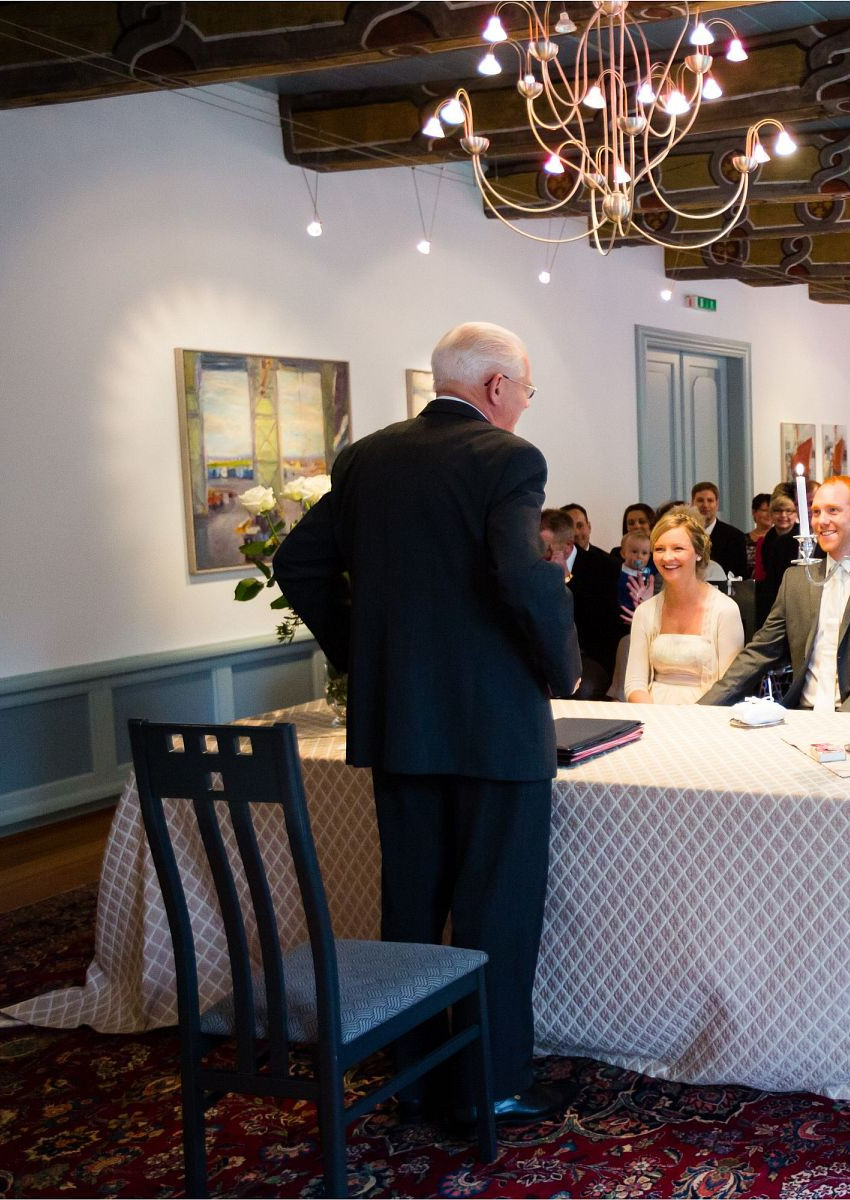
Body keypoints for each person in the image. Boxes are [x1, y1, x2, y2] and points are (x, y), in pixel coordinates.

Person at [274, 320, 580, 1123]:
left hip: (399, 723)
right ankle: (493, 1083)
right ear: (494, 389)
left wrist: (362, 655)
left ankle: (411, 1075)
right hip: (497, 730)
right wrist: (565, 668)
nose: (524, 405)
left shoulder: (367, 456)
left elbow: (297, 563)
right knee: (496, 911)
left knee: (410, 905)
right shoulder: (509, 459)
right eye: (526, 391)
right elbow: (524, 574)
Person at [702, 476, 850, 711]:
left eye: (833, 510)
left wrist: (842, 721)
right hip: (803, 714)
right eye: (815, 512)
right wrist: (703, 708)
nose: (821, 521)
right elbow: (761, 651)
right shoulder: (797, 580)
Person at [624, 507, 745, 703]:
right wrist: (654, 719)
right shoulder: (645, 612)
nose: (667, 557)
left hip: (708, 716)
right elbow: (635, 683)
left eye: (678, 548)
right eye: (660, 549)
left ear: (698, 553)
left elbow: (730, 687)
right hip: (654, 716)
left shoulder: (725, 610)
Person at [541, 507, 621, 700]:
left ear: (568, 545)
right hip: (545, 652)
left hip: (590, 655)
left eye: (546, 547)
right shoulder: (534, 567)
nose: (540, 552)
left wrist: (563, 583)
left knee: (581, 688)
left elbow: (603, 626)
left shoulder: (604, 566)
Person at [752, 492, 801, 629]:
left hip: (793, 597)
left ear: (795, 514)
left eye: (789, 511)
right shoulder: (768, 538)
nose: (783, 515)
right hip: (772, 594)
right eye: (778, 511)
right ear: (771, 514)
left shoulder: (801, 538)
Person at [691, 481, 750, 583]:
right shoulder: (686, 534)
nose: (705, 505)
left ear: (717, 504)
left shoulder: (735, 537)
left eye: (710, 500)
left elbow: (740, 576)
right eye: (700, 500)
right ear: (692, 503)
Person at [616, 529, 658, 627]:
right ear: (623, 553)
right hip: (621, 614)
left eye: (644, 553)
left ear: (649, 556)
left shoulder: (647, 573)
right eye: (634, 552)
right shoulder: (618, 571)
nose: (639, 556)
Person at [746, 492, 772, 573]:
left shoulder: (778, 539)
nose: (769, 514)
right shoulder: (742, 539)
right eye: (765, 510)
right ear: (754, 512)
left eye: (772, 510)